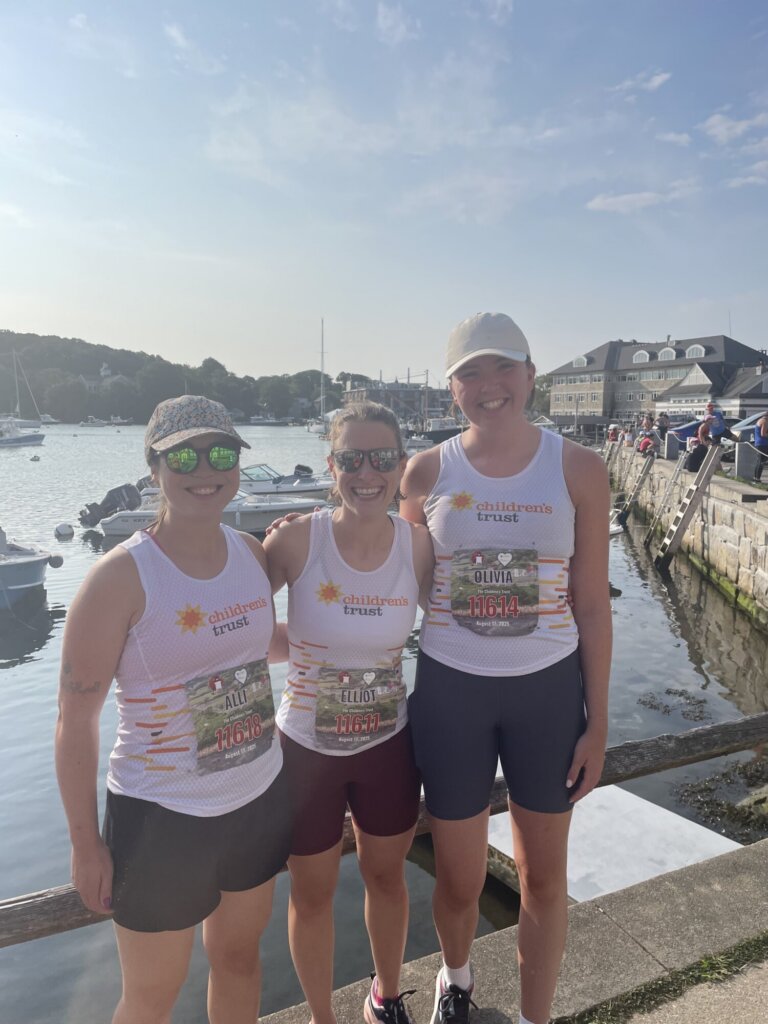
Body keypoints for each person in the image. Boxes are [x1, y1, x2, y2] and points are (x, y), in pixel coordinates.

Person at [400, 313, 612, 1024]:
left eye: (502, 369)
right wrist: (297, 539)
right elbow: (387, 569)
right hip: (451, 690)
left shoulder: (579, 468)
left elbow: (592, 603)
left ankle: (534, 1017)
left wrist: (599, 723)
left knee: (543, 881)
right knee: (458, 880)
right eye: (470, 373)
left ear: (529, 374)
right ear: (452, 385)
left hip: (547, 694)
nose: (488, 387)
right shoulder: (426, 471)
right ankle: (455, 982)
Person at [55, 395, 293, 1024]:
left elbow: (243, 641)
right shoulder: (119, 579)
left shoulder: (251, 554)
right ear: (154, 468)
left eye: (220, 452)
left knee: (240, 962)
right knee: (152, 996)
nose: (203, 468)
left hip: (257, 792)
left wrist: (343, 644)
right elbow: (75, 719)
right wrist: (85, 846)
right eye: (182, 455)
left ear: (238, 464)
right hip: (162, 812)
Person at [264, 402, 434, 1024]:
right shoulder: (293, 539)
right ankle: (321, 1017)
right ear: (332, 465)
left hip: (387, 745)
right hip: (305, 750)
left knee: (386, 879)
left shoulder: (419, 547)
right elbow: (236, 625)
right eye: (352, 459)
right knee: (311, 895)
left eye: (382, 458)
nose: (368, 473)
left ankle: (385, 998)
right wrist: (305, 656)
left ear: (399, 465)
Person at [753, 411, 768, 482]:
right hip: (762, 444)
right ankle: (757, 478)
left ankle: (756, 478)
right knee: (761, 461)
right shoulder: (764, 422)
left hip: (759, 443)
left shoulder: (760, 420)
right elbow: (763, 434)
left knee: (759, 461)